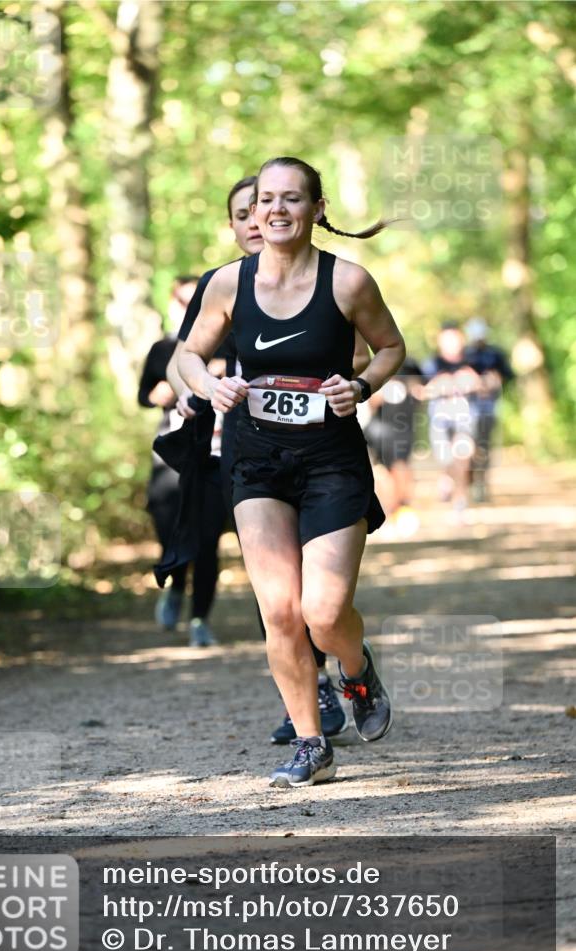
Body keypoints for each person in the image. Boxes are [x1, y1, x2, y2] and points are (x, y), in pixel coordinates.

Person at [179, 156, 406, 787]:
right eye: (266, 200)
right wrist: (210, 387)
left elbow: (391, 347)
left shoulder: (348, 282)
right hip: (256, 462)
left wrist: (360, 387)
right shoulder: (229, 283)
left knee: (324, 613)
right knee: (280, 611)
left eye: (292, 198)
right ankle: (312, 743)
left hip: (330, 460)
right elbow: (190, 354)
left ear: (317, 208)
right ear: (253, 211)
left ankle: (357, 673)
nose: (276, 210)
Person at [166, 176, 354, 744]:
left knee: (320, 592)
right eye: (245, 211)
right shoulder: (221, 283)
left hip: (320, 447)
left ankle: (336, 661)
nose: (258, 218)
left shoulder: (327, 281)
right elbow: (182, 357)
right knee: (275, 587)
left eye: (268, 205)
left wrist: (343, 384)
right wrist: (195, 389)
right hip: (240, 445)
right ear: (233, 225)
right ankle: (309, 698)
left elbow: (362, 350)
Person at [139, 276, 226, 647]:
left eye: (196, 300)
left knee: (207, 542)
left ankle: (199, 620)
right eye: (182, 300)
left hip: (215, 457)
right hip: (171, 460)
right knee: (169, 531)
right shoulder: (162, 349)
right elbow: (143, 395)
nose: (189, 307)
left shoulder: (228, 342)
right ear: (172, 304)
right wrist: (156, 394)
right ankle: (175, 585)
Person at [422, 322, 483, 517]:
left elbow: (487, 384)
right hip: (440, 421)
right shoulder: (431, 364)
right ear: (439, 341)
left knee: (463, 455)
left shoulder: (473, 361)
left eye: (454, 338)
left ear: (461, 339)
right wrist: (440, 385)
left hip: (466, 417)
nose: (451, 343)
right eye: (446, 339)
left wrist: (473, 382)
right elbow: (421, 391)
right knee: (448, 461)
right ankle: (447, 478)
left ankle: (460, 502)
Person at [364, 357, 424, 536]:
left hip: (402, 429)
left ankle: (402, 509)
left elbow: (420, 391)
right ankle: (390, 514)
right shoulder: (377, 364)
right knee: (384, 473)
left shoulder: (411, 366)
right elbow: (371, 399)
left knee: (400, 468)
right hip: (380, 430)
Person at [464, 317, 514, 502]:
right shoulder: (464, 354)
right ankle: (466, 480)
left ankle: (481, 483)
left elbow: (509, 375)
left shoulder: (495, 354)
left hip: (488, 410)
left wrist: (496, 378)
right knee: (466, 447)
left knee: (483, 446)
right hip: (465, 410)